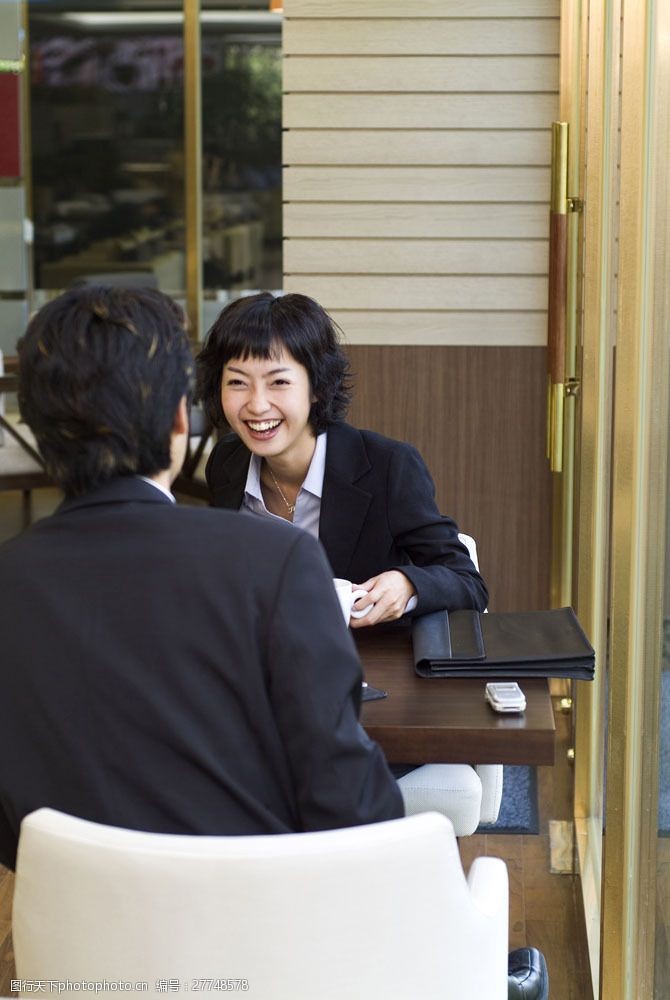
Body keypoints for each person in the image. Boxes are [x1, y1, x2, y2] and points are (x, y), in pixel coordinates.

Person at [0, 286, 403, 871]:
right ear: (178, 419)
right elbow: (351, 804)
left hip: (76, 948)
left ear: (39, 431)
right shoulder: (278, 562)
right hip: (254, 941)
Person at [197, 291, 488, 625]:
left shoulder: (387, 466)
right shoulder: (226, 462)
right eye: (237, 382)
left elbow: (467, 582)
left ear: (317, 386)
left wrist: (409, 585)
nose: (257, 404)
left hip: (363, 663)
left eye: (278, 382)